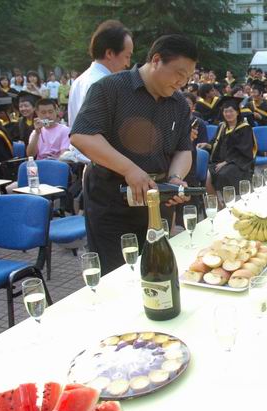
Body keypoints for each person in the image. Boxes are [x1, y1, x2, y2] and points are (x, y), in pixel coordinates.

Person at [70, 34, 198, 275]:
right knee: (117, 275)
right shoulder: (110, 88)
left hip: (157, 201)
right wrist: (129, 169)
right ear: (156, 60)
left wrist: (175, 178)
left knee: (157, 271)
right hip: (112, 203)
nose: (182, 82)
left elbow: (183, 149)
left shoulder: (179, 104)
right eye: (179, 74)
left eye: (188, 77)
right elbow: (82, 136)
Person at [68, 20, 133, 128]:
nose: (128, 64)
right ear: (109, 53)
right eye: (127, 56)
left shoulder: (79, 81)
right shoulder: (104, 85)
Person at [206, 96, 256, 198]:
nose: (228, 114)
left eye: (231, 111)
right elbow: (215, 142)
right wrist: (207, 145)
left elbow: (244, 151)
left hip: (238, 162)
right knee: (206, 176)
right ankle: (219, 204)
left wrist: (227, 162)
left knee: (224, 174)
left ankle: (230, 200)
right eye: (225, 111)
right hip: (219, 161)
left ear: (237, 112)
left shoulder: (245, 128)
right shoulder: (222, 126)